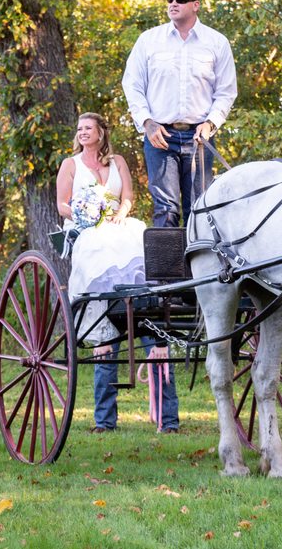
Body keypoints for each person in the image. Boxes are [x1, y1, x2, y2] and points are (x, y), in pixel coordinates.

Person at [55, 112, 180, 434]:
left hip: (117, 223)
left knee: (142, 238)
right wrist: (87, 214)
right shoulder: (71, 165)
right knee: (99, 244)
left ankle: (145, 302)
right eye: (79, 128)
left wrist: (118, 214)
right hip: (85, 230)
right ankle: (104, 418)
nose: (83, 132)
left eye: (88, 128)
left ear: (100, 132)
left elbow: (128, 197)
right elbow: (62, 205)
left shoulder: (117, 161)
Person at [122, 0, 238, 227]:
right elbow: (132, 85)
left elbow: (226, 91)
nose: (173, 4)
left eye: (181, 0)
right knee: (166, 210)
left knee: (201, 208)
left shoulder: (217, 42)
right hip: (160, 136)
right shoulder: (148, 40)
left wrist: (210, 123)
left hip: (200, 137)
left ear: (196, 5)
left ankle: (200, 267)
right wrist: (147, 122)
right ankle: (168, 267)